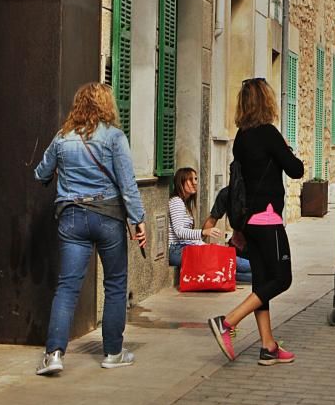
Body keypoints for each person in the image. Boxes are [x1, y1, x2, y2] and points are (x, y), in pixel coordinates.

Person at [33, 82, 147, 376]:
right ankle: (112, 352)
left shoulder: (62, 137)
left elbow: (41, 173)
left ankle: (55, 354)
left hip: (71, 218)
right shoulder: (114, 137)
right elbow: (127, 183)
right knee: (115, 285)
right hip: (108, 217)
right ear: (106, 105)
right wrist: (138, 220)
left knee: (68, 287)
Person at [208, 77, 304, 365]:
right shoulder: (268, 134)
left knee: (261, 283)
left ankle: (268, 346)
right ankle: (228, 321)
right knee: (282, 278)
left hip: (249, 220)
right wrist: (286, 149)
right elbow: (296, 170)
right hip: (268, 219)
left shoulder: (241, 138)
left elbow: (240, 184)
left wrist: (238, 227)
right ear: (266, 101)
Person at [169, 168, 252, 284]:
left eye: (196, 179)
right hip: (177, 250)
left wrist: (201, 243)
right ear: (180, 182)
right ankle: (263, 269)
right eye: (190, 179)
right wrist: (203, 233)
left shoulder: (184, 203)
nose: (194, 182)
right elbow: (179, 232)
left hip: (184, 248)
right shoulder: (176, 202)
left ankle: (262, 275)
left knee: (224, 269)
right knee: (226, 258)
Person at [202, 184, 253, 284]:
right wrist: (199, 245)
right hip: (238, 249)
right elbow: (212, 220)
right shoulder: (226, 193)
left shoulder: (258, 192)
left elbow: (212, 220)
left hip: (255, 250)